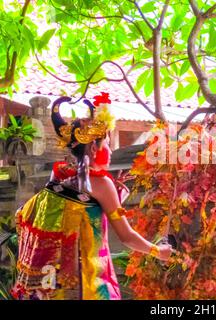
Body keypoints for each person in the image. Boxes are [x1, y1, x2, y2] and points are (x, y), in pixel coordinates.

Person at [12, 93, 172, 300]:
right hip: (84, 284)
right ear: (94, 148)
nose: (111, 151)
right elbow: (126, 236)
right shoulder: (101, 184)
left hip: (50, 285)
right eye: (107, 144)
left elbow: (78, 210)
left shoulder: (58, 175)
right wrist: (158, 252)